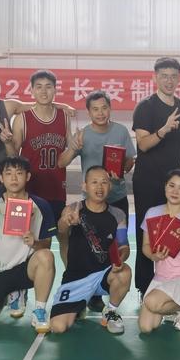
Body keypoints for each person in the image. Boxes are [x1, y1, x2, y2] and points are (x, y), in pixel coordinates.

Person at [0, 69, 73, 290]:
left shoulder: (8, 106)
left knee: (17, 237)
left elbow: (39, 103)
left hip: (12, 183)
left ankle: (16, 288)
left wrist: (62, 107)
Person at [58, 90, 136, 312]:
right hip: (90, 205)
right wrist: (74, 147)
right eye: (95, 109)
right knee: (89, 248)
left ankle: (109, 286)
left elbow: (130, 161)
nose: (100, 113)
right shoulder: (83, 135)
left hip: (117, 200)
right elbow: (62, 163)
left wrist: (122, 169)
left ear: (110, 108)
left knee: (116, 247)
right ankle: (88, 291)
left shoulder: (121, 131)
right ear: (89, 112)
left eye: (104, 108)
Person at [0, 70, 69, 318]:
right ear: (31, 91)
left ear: (55, 89)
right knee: (25, 242)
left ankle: (70, 288)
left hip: (57, 190)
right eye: (38, 86)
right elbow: (14, 156)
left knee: (62, 240)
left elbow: (67, 153)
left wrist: (77, 147)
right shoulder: (23, 119)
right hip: (30, 194)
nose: (43, 91)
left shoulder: (64, 116)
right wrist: (7, 141)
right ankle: (19, 290)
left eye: (48, 86)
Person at [0, 157, 56, 333]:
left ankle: (39, 311)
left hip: (25, 270)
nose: (14, 178)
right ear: (1, 178)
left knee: (46, 257)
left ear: (28, 176)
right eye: (8, 174)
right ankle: (8, 295)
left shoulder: (41, 206)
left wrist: (35, 242)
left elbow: (46, 247)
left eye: (19, 173)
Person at [132, 57, 180, 296]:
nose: (169, 80)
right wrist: (163, 129)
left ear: (179, 78)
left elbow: (179, 147)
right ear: (155, 77)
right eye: (164, 76)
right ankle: (145, 287)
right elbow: (143, 144)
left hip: (175, 182)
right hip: (148, 180)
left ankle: (179, 282)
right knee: (146, 233)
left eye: (173, 76)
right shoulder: (145, 107)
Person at [50, 166, 132, 334]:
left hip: (103, 276)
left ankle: (110, 311)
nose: (99, 187)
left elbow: (124, 246)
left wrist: (120, 259)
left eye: (104, 182)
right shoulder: (72, 209)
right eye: (94, 182)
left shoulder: (118, 214)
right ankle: (80, 304)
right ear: (84, 186)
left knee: (125, 272)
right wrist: (66, 222)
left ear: (110, 186)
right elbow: (61, 232)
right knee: (58, 327)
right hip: (76, 278)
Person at [138, 170, 180, 333]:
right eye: (172, 186)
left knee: (152, 302)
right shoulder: (152, 213)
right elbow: (145, 245)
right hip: (162, 276)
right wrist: (154, 256)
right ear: (165, 187)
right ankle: (175, 307)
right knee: (146, 327)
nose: (175, 191)